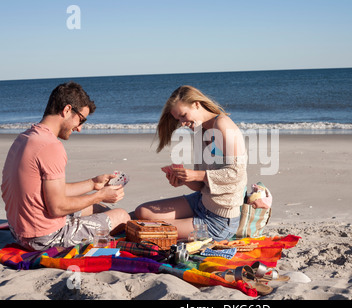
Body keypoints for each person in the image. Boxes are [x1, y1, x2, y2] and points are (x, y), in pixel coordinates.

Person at [1, 82, 130, 251]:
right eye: (81, 120)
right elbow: (57, 207)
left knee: (97, 209)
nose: (80, 128)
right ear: (67, 110)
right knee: (122, 216)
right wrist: (99, 195)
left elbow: (50, 191)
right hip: (44, 238)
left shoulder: (25, 138)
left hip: (20, 231)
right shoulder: (50, 146)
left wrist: (93, 184)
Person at [135, 85, 247, 241]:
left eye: (183, 115)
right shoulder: (199, 132)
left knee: (146, 231)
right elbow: (201, 185)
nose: (182, 123)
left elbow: (237, 175)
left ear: (196, 104)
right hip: (201, 201)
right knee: (142, 212)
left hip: (219, 220)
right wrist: (185, 180)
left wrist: (196, 175)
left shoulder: (222, 124)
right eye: (178, 119)